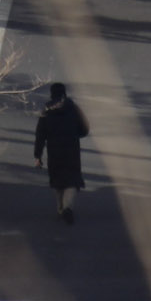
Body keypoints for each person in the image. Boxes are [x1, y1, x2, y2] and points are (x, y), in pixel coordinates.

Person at [33, 81, 90, 224]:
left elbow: (40, 135)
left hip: (54, 151)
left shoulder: (46, 112)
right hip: (72, 150)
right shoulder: (73, 108)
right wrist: (75, 134)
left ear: (52, 94)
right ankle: (67, 207)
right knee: (72, 179)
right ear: (64, 93)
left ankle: (60, 208)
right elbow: (85, 128)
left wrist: (38, 155)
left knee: (57, 181)